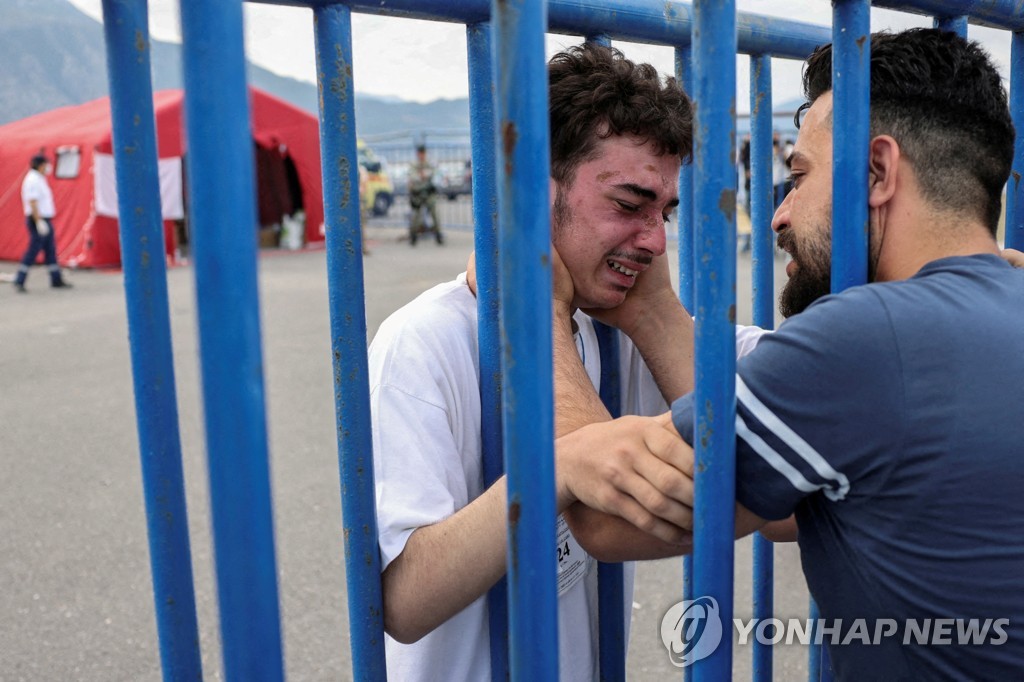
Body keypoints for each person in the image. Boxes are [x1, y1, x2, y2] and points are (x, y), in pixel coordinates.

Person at [564, 28, 1024, 677]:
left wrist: (534, 307)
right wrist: (653, 311)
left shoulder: (870, 336)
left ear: (878, 172)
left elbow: (606, 518)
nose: (779, 216)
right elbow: (795, 502)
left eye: (800, 177)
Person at [368, 43, 767, 681]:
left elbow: (774, 439)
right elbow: (402, 601)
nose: (657, 239)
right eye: (629, 204)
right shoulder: (426, 340)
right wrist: (551, 472)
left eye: (665, 212)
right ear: (530, 193)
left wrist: (657, 316)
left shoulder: (614, 328)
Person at [14, 154, 72, 292]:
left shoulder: (39, 178)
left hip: (44, 219)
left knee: (50, 250)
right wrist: (38, 221)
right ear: (40, 165)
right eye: (46, 164)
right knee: (34, 250)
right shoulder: (32, 180)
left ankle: (56, 279)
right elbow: (33, 202)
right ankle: (20, 279)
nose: (48, 167)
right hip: (37, 220)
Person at [408, 144, 443, 245]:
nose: (422, 155)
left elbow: (436, 174)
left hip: (428, 193)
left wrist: (424, 175)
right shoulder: (414, 165)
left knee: (435, 214)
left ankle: (438, 235)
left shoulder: (429, 163)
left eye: (423, 153)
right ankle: (413, 235)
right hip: (418, 194)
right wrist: (422, 176)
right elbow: (413, 177)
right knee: (416, 216)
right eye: (420, 153)